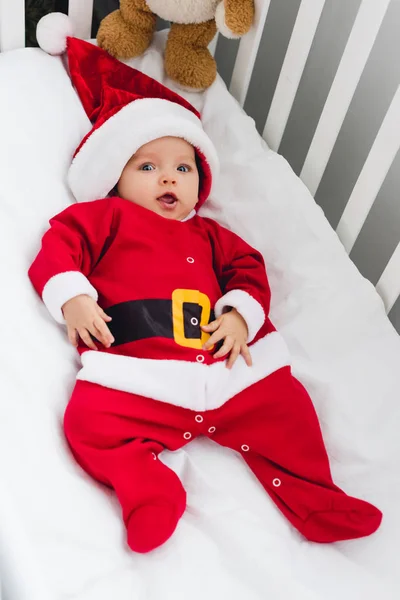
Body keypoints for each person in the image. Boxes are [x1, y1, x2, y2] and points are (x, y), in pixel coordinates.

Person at [29, 23, 382, 553]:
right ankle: (146, 488)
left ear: (201, 180)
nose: (168, 178)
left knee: (287, 408)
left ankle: (313, 496)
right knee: (87, 423)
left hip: (227, 366)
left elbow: (248, 270)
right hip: (137, 372)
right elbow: (59, 245)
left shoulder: (212, 234)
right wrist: (73, 296)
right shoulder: (106, 218)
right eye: (147, 166)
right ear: (114, 177)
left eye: (182, 167)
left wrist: (240, 314)